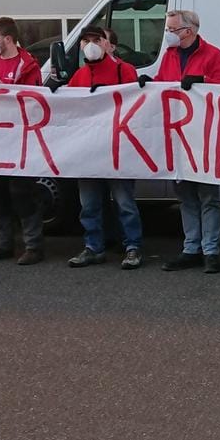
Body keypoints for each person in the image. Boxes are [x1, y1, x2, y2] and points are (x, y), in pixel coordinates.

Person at [151, 8, 220, 273]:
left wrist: (202, 81)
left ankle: (210, 251)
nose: (168, 34)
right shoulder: (169, 56)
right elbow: (161, 85)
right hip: (178, 135)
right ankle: (191, 248)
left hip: (203, 135)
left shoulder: (213, 55)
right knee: (185, 196)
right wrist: (146, 85)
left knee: (208, 196)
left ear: (189, 30)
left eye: (172, 29)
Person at [65, 24, 144, 270]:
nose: (91, 45)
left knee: (124, 203)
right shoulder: (79, 76)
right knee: (89, 205)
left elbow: (138, 106)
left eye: (96, 40)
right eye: (86, 41)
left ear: (107, 44)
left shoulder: (124, 70)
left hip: (118, 150)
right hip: (88, 152)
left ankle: (132, 247)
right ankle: (93, 247)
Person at [0, 16, 47, 265]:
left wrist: (6, 87)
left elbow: (33, 97)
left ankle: (33, 245)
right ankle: (2, 243)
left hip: (20, 138)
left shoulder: (27, 64)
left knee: (21, 192)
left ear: (7, 39)